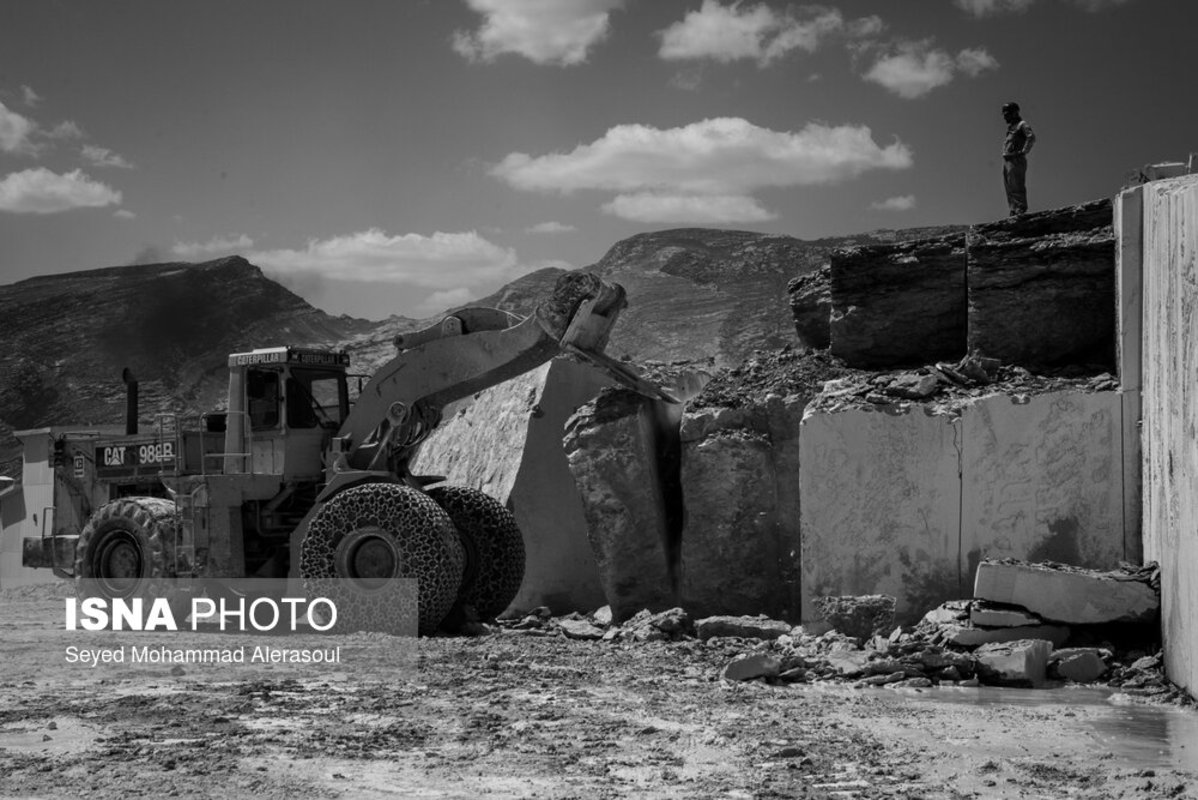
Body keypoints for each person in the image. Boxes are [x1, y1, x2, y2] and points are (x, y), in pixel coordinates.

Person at [1001, 102, 1036, 216]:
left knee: (1017, 184)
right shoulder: (1011, 128)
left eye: (1007, 114)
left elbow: (1031, 137)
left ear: (1014, 113)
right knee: (1009, 185)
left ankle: (1020, 208)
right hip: (1008, 160)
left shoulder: (1022, 125)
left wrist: (1023, 151)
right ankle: (1013, 209)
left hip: (1016, 159)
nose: (1005, 117)